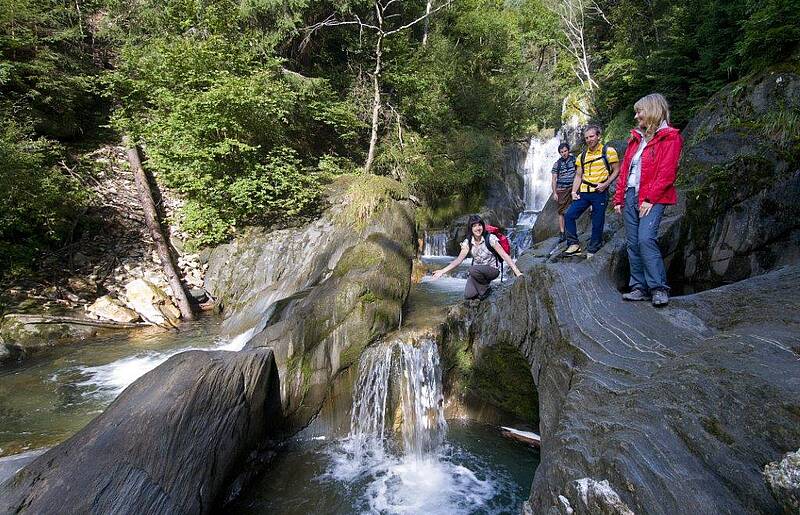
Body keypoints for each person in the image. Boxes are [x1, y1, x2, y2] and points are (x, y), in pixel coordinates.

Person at [613, 93, 682, 307]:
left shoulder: (670, 137)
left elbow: (667, 172)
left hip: (652, 196)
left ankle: (658, 288)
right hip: (630, 195)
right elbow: (625, 170)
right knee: (632, 243)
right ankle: (638, 287)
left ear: (652, 110)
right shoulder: (636, 139)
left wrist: (650, 198)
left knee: (645, 239)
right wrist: (618, 198)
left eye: (639, 111)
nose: (636, 116)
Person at [431, 215, 523, 299]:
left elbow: (504, 255)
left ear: (483, 226)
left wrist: (517, 272)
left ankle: (485, 289)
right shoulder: (468, 242)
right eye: (474, 226)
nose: (477, 228)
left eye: (479, 225)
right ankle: (484, 286)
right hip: (478, 273)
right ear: (471, 229)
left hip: (492, 270)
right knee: (468, 295)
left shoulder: (490, 238)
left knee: (472, 269)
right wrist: (442, 271)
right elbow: (458, 260)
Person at [563, 125, 620, 257]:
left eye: (592, 136)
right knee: (569, 215)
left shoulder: (608, 151)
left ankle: (593, 249)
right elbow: (578, 175)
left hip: (599, 192)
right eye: (587, 137)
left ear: (598, 136)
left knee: (597, 221)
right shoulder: (582, 156)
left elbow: (617, 170)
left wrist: (606, 184)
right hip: (584, 192)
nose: (589, 139)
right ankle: (573, 244)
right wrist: (573, 192)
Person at [551, 142, 577, 242]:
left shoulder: (574, 160)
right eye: (561, 152)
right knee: (561, 211)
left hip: (574, 188)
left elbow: (580, 173)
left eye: (565, 151)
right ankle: (562, 232)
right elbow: (553, 179)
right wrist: (554, 192)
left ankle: (571, 231)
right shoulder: (557, 164)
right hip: (562, 189)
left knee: (574, 209)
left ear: (568, 150)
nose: (564, 153)